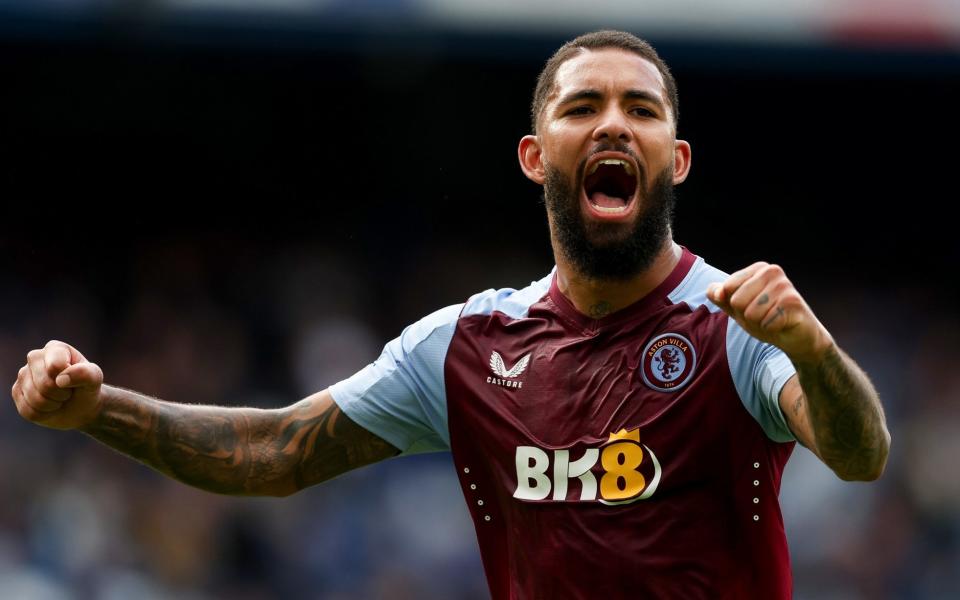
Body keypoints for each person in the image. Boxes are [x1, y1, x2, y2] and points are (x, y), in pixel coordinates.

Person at [11, 30, 889, 599]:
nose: (614, 125)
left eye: (642, 110)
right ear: (535, 156)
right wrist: (98, 410)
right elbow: (272, 453)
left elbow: (860, 455)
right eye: (583, 107)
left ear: (679, 158)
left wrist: (813, 351)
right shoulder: (465, 348)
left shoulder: (739, 324)